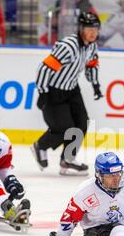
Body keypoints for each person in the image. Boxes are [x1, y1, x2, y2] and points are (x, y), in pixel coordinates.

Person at [32, 12, 103, 176]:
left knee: (82, 124)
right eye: (88, 28)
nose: (92, 32)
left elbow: (92, 65)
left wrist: (95, 84)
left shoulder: (92, 46)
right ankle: (40, 146)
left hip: (72, 90)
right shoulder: (68, 46)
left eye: (95, 28)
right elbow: (44, 68)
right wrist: (43, 92)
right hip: (54, 91)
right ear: (80, 29)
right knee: (65, 128)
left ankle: (67, 159)